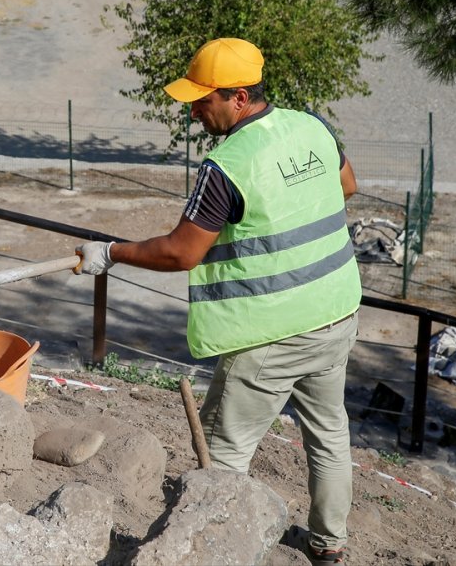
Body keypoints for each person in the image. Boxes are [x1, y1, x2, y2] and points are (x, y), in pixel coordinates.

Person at [74, 38, 361, 564]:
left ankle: (212, 552)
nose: (193, 109)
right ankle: (329, 545)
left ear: (240, 97)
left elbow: (182, 253)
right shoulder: (311, 126)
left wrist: (110, 252)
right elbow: (346, 186)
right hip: (336, 312)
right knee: (329, 431)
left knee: (224, 451)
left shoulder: (225, 166)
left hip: (270, 332)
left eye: (203, 99)